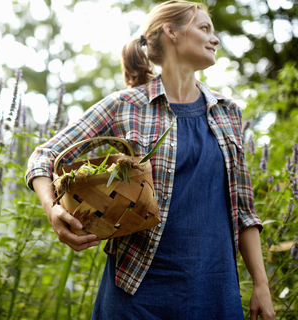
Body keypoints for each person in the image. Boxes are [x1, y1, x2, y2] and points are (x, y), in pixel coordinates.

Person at [25, 1, 275, 319]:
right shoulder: (125, 105)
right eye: (204, 28)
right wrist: (53, 209)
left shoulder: (227, 112)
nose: (215, 39)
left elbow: (243, 210)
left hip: (215, 292)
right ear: (171, 32)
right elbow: (44, 156)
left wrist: (261, 285)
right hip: (136, 294)